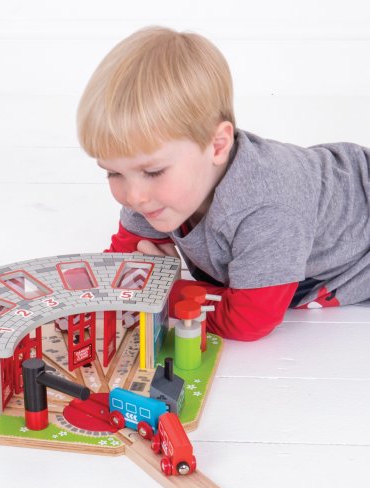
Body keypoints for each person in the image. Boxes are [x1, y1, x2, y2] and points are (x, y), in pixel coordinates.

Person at [76, 26, 370, 341]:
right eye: (113, 173)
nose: (133, 196)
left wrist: (166, 291)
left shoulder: (266, 210)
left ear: (217, 146)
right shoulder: (150, 190)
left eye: (153, 171)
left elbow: (248, 319)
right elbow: (121, 266)